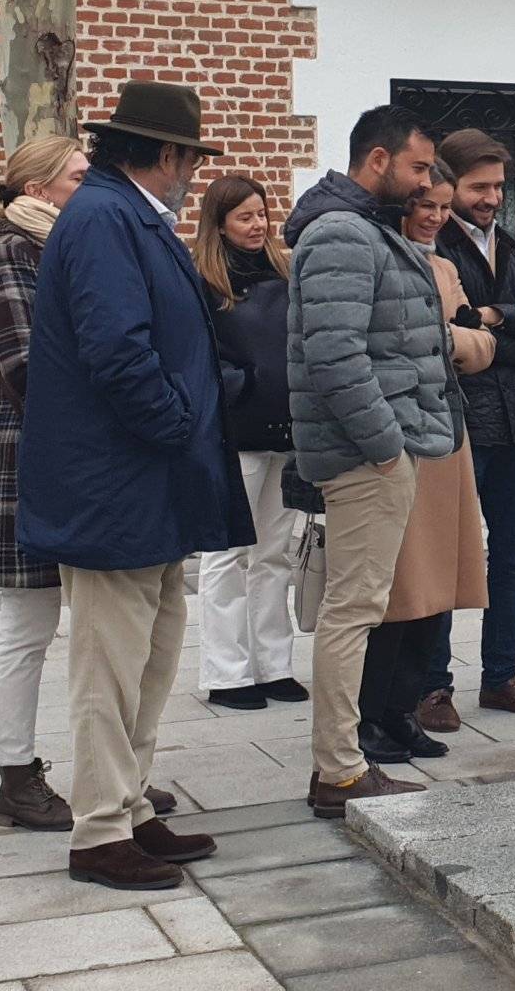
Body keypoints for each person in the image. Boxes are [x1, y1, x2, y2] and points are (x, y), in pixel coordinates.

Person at [18, 81, 251, 890]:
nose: (191, 172)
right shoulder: (107, 218)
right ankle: (99, 832)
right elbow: (118, 351)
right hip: (118, 480)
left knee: (151, 657)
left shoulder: (123, 215)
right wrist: (178, 423)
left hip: (148, 481)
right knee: (108, 665)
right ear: (167, 153)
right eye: (189, 156)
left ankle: (131, 809)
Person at [0, 133, 176, 832]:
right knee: (28, 623)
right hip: (30, 455)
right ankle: (15, 775)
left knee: (101, 628)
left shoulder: (67, 244)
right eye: (77, 176)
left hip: (73, 455)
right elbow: (28, 368)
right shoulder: (9, 253)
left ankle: (111, 773)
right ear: (36, 190)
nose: (89, 188)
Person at [284, 104, 451, 818]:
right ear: (377, 161)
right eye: (417, 168)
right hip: (364, 456)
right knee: (352, 612)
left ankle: (340, 766)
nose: (423, 186)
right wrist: (386, 446)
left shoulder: (360, 229)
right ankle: (340, 771)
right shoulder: (343, 232)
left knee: (357, 607)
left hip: (375, 448)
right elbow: (334, 352)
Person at [355, 175, 496, 764]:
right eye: (424, 206)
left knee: (436, 589)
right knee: (397, 591)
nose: (435, 217)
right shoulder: (378, 260)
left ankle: (404, 711)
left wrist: (464, 338)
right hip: (401, 440)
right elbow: (427, 342)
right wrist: (460, 338)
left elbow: (483, 345)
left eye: (444, 207)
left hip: (447, 439)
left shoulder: (442, 268)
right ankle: (370, 719)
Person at [429, 129, 515, 722]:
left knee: (512, 558)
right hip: (459, 425)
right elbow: (441, 340)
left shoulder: (513, 244)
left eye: (499, 187)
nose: (491, 197)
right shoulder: (433, 246)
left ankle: (500, 677)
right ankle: (431, 686)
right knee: (446, 560)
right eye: (479, 186)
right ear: (450, 184)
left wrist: (488, 318)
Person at [194, 175, 309, 713]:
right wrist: (242, 386)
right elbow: (196, 357)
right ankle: (226, 670)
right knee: (227, 554)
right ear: (219, 224)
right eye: (244, 216)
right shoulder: (203, 283)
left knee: (273, 554)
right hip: (235, 432)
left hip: (282, 430)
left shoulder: (285, 275)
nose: (258, 225)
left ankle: (273, 663)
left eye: (262, 214)